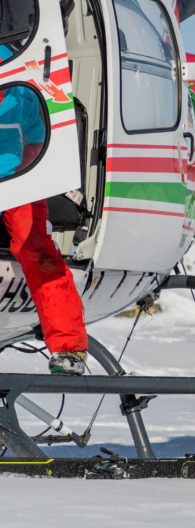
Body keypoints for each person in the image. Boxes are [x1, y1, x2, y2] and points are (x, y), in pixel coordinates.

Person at [1, 45, 89, 375]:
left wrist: (28, 177)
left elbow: (37, 137)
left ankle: (67, 346)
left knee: (35, 249)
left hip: (15, 178)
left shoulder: (16, 67)